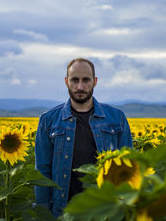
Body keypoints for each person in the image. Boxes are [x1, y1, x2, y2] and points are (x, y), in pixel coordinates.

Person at [34, 57, 133, 217]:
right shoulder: (49, 120)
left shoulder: (117, 118)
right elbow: (42, 172)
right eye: (75, 80)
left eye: (86, 80)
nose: (80, 86)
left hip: (106, 211)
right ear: (66, 81)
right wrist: (43, 212)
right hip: (63, 211)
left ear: (95, 81)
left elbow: (128, 167)